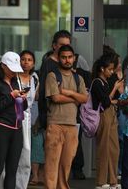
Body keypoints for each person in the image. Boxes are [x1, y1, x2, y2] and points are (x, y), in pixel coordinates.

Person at [44, 45, 88, 189]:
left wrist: (68, 92)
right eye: (64, 57)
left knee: (66, 163)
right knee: (52, 163)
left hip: (72, 125)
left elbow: (85, 99)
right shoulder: (52, 75)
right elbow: (56, 98)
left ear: (74, 58)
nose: (67, 60)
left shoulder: (78, 78)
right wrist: (75, 98)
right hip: (55, 124)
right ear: (58, 58)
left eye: (70, 57)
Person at [0, 51, 28, 189]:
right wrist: (11, 96)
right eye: (12, 69)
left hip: (17, 129)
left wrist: (23, 99)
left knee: (12, 171)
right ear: (3, 66)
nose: (15, 72)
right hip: (1, 128)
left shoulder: (16, 82)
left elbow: (22, 106)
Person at [92, 54, 124, 189]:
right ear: (102, 69)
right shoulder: (97, 82)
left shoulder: (106, 81)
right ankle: (101, 181)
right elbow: (105, 102)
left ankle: (112, 180)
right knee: (103, 148)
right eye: (109, 69)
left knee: (114, 148)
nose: (112, 72)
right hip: (103, 115)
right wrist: (115, 89)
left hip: (112, 114)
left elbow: (111, 99)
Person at [16, 50, 38, 189]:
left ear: (33, 63)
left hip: (27, 117)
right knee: (12, 153)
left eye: (29, 60)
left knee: (26, 152)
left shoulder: (34, 78)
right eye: (23, 59)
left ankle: (21, 185)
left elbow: (35, 101)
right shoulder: (14, 77)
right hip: (13, 116)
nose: (26, 62)